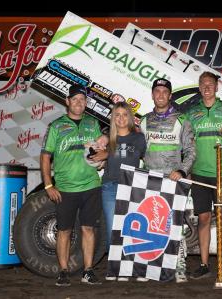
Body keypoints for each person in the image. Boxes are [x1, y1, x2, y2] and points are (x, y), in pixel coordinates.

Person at [40, 84, 103, 286]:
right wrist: (49, 185)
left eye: (82, 100)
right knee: (64, 230)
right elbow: (45, 156)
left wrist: (103, 155)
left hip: (91, 185)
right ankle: (64, 271)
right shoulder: (56, 126)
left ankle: (88, 270)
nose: (78, 103)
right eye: (74, 99)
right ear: (67, 101)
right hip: (65, 188)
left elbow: (100, 151)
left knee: (88, 229)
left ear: (86, 103)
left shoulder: (93, 124)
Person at [140, 78, 196, 283]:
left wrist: (181, 171)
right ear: (152, 94)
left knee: (175, 226)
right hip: (151, 180)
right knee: (152, 225)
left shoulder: (182, 120)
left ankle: (179, 267)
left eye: (165, 91)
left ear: (170, 95)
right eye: (157, 91)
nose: (161, 95)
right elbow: (139, 151)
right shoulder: (144, 121)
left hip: (174, 181)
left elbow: (191, 152)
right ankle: (152, 266)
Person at [187, 71, 222, 279]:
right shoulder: (192, 113)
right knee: (204, 218)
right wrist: (188, 169)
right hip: (199, 174)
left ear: (217, 87)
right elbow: (187, 144)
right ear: (199, 88)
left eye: (211, 84)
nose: (207, 87)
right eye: (203, 84)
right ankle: (205, 264)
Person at [90, 102, 147, 281]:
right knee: (113, 229)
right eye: (117, 115)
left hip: (132, 186)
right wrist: (101, 147)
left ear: (129, 117)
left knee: (133, 228)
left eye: (124, 114)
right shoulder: (108, 139)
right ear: (113, 118)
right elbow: (92, 156)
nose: (121, 118)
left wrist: (107, 153)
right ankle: (116, 267)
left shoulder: (138, 138)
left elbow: (136, 156)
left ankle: (137, 266)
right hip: (109, 187)